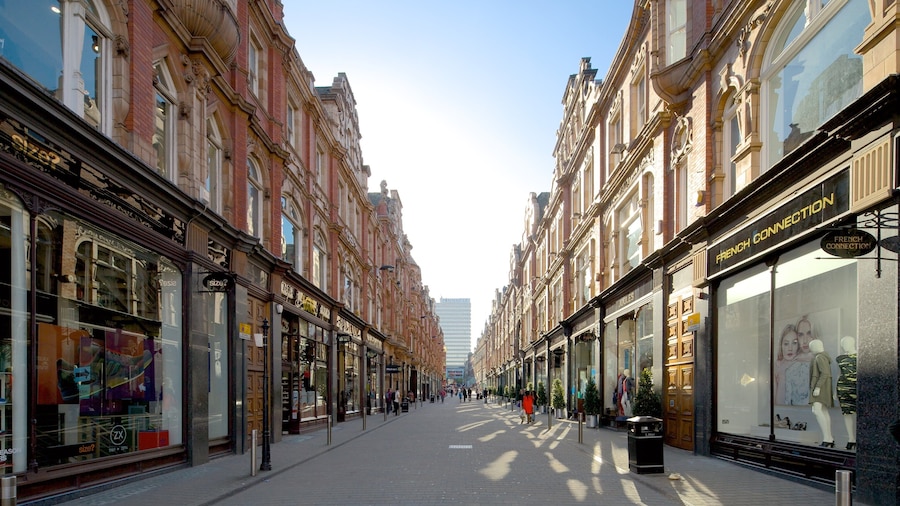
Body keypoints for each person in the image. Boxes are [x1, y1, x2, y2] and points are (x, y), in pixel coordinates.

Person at [774, 324, 810, 405]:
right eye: (786, 344)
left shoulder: (803, 364)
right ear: (781, 345)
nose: (790, 348)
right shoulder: (777, 366)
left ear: (798, 345)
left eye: (794, 343)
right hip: (779, 413)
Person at [808, 339, 834, 447]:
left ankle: (827, 438)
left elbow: (825, 373)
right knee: (822, 410)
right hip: (822, 386)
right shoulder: (822, 357)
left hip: (820, 387)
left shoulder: (819, 358)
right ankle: (829, 438)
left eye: (812, 347)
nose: (811, 350)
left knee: (817, 410)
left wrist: (817, 387)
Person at [835, 336, 857, 450]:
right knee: (847, 413)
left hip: (857, 387)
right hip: (843, 387)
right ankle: (851, 438)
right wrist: (835, 390)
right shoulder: (840, 358)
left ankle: (859, 437)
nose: (844, 346)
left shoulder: (860, 356)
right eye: (842, 344)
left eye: (846, 343)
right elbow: (839, 374)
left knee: (859, 413)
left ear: (853, 343)